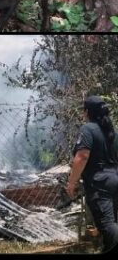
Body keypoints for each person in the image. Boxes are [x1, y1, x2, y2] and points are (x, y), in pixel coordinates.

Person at [66, 95, 118, 253]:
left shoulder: (88, 129)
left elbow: (82, 157)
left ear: (87, 112)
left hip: (99, 183)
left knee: (107, 224)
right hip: (114, 179)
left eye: (83, 110)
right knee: (113, 220)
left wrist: (71, 183)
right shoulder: (112, 131)